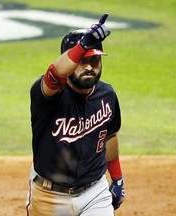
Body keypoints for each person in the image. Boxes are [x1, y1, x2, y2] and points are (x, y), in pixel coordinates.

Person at [26, 14, 125, 216]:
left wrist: (117, 179)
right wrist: (81, 46)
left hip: (95, 192)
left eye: (95, 60)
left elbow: (110, 136)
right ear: (69, 61)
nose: (89, 67)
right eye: (82, 60)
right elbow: (55, 75)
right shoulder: (47, 95)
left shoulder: (107, 95)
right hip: (49, 197)